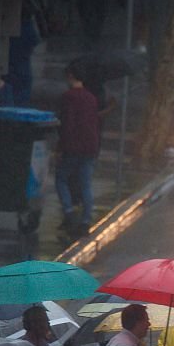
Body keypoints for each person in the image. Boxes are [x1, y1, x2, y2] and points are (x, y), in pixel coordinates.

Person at [56, 63, 100, 237]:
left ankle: (68, 211)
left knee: (61, 178)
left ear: (71, 76)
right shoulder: (91, 97)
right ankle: (85, 220)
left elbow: (67, 124)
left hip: (73, 146)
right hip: (90, 146)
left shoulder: (68, 97)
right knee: (85, 183)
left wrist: (61, 146)